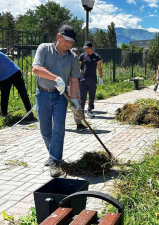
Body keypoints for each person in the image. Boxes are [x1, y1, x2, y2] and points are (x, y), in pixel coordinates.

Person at [32, 25, 80, 177]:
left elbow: (74, 80)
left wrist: (74, 100)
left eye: (72, 42)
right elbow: (36, 68)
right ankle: (53, 156)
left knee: (58, 128)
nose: (69, 45)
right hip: (43, 94)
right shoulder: (44, 49)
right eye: (67, 41)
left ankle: (54, 160)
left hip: (61, 96)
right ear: (58, 37)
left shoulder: (73, 57)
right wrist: (56, 78)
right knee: (45, 129)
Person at [78, 41, 103, 117]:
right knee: (82, 96)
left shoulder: (96, 56)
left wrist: (101, 78)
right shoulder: (82, 56)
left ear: (92, 47)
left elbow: (99, 68)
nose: (86, 50)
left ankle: (89, 110)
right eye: (85, 48)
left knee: (92, 96)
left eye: (88, 48)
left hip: (92, 79)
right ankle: (81, 111)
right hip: (83, 79)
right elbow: (78, 66)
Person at [69, 48, 87, 131]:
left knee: (76, 105)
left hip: (72, 86)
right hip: (71, 86)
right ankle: (79, 124)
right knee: (76, 104)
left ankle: (79, 123)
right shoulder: (71, 62)